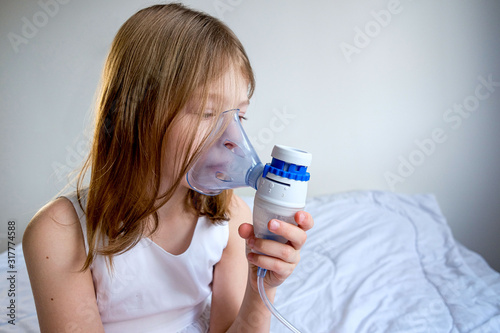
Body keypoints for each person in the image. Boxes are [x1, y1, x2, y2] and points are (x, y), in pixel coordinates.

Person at [22, 3, 314, 332]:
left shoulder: (231, 219)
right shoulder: (60, 232)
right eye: (207, 111)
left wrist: (264, 286)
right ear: (135, 115)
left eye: (240, 115)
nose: (235, 138)